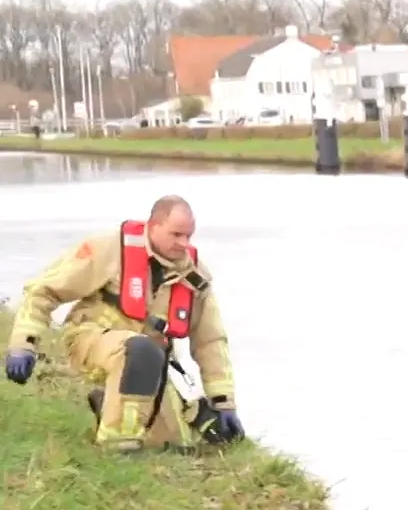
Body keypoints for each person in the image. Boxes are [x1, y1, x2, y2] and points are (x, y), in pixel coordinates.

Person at [4, 194, 243, 452]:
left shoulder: (194, 277)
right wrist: (23, 343)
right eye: (176, 235)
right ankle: (117, 448)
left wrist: (223, 402)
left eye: (188, 236)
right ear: (153, 226)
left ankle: (108, 403)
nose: (183, 244)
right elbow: (44, 291)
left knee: (174, 443)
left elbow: (210, 342)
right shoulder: (109, 249)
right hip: (91, 340)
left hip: (150, 362)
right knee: (139, 351)